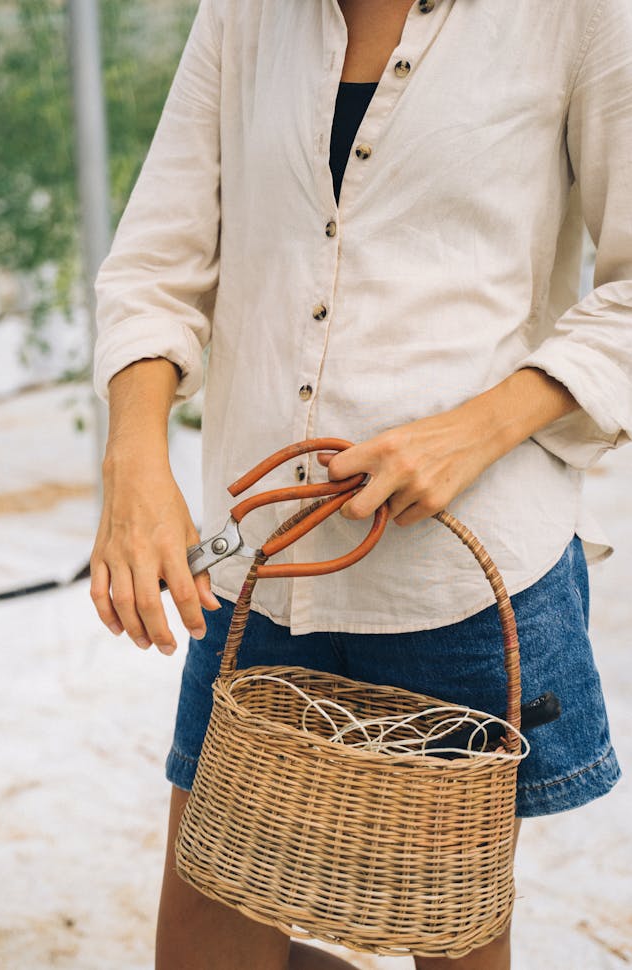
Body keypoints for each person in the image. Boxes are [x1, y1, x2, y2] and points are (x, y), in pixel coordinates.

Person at [90, 1, 631, 967]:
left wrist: (475, 429)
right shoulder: (245, 13)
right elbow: (153, 267)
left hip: (465, 587)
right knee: (210, 930)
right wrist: (134, 464)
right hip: (263, 577)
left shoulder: (581, 16)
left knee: (447, 942)